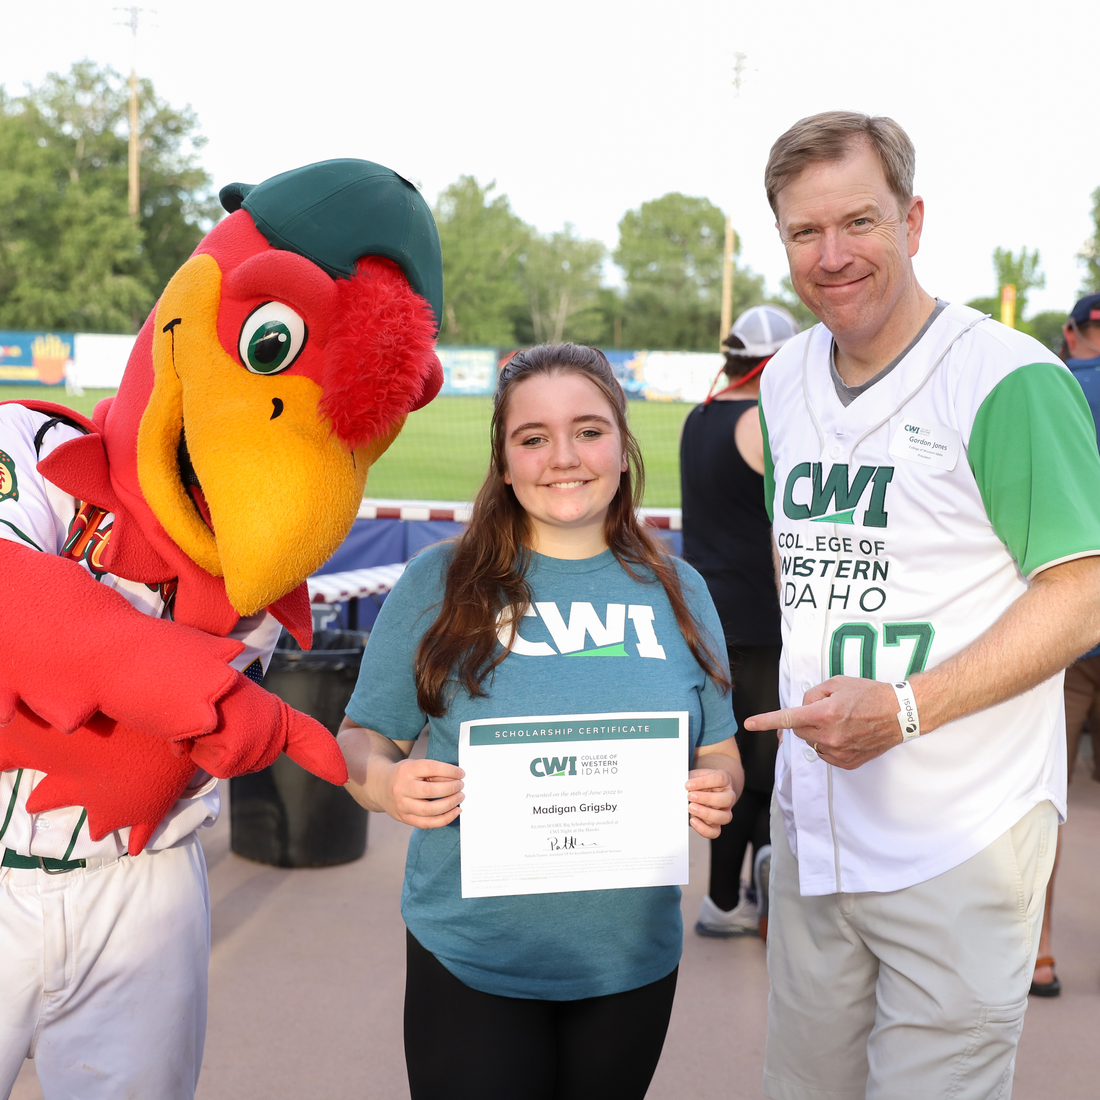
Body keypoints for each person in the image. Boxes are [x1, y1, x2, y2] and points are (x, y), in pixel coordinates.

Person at [741, 111, 1100, 1099]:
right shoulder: (782, 380)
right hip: (817, 823)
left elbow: (1082, 591)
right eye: (802, 232)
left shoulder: (1005, 376)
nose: (831, 254)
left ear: (912, 217)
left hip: (960, 829)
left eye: (856, 221)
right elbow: (801, 559)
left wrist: (903, 708)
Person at [337, 342, 743, 1100]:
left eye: (589, 430)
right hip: (472, 958)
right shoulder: (439, 583)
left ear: (624, 446)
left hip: (629, 963)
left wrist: (715, 785)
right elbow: (360, 740)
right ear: (505, 458)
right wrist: (388, 784)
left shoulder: (681, 589)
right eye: (533, 437)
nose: (564, 457)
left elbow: (720, 750)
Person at [680, 305, 798, 938]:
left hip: (707, 616)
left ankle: (737, 893)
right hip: (757, 622)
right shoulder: (761, 422)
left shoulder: (698, 417)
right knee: (754, 765)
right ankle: (728, 900)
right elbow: (785, 536)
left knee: (723, 754)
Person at [1029, 291, 1100, 997]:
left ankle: (1041, 950)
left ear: (1072, 334)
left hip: (1071, 626)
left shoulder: (1055, 386)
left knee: (1046, 795)